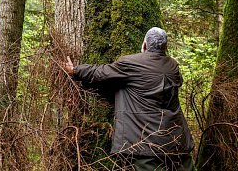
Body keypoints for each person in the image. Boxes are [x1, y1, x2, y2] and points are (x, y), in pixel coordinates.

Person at [64, 27, 194, 170]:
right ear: (165, 46)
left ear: (144, 45)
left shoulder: (132, 63)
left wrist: (75, 70)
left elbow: (100, 73)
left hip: (147, 144)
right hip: (176, 141)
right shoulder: (173, 66)